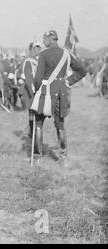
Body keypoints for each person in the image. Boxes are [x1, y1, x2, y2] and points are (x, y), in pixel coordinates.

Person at [30, 30, 86, 164]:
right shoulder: (67, 53)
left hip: (45, 93)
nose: (43, 42)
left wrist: (38, 91)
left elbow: (38, 78)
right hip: (61, 93)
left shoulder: (43, 54)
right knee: (60, 124)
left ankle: (37, 158)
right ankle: (63, 158)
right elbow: (82, 71)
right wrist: (68, 81)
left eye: (45, 39)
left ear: (50, 39)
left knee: (38, 123)